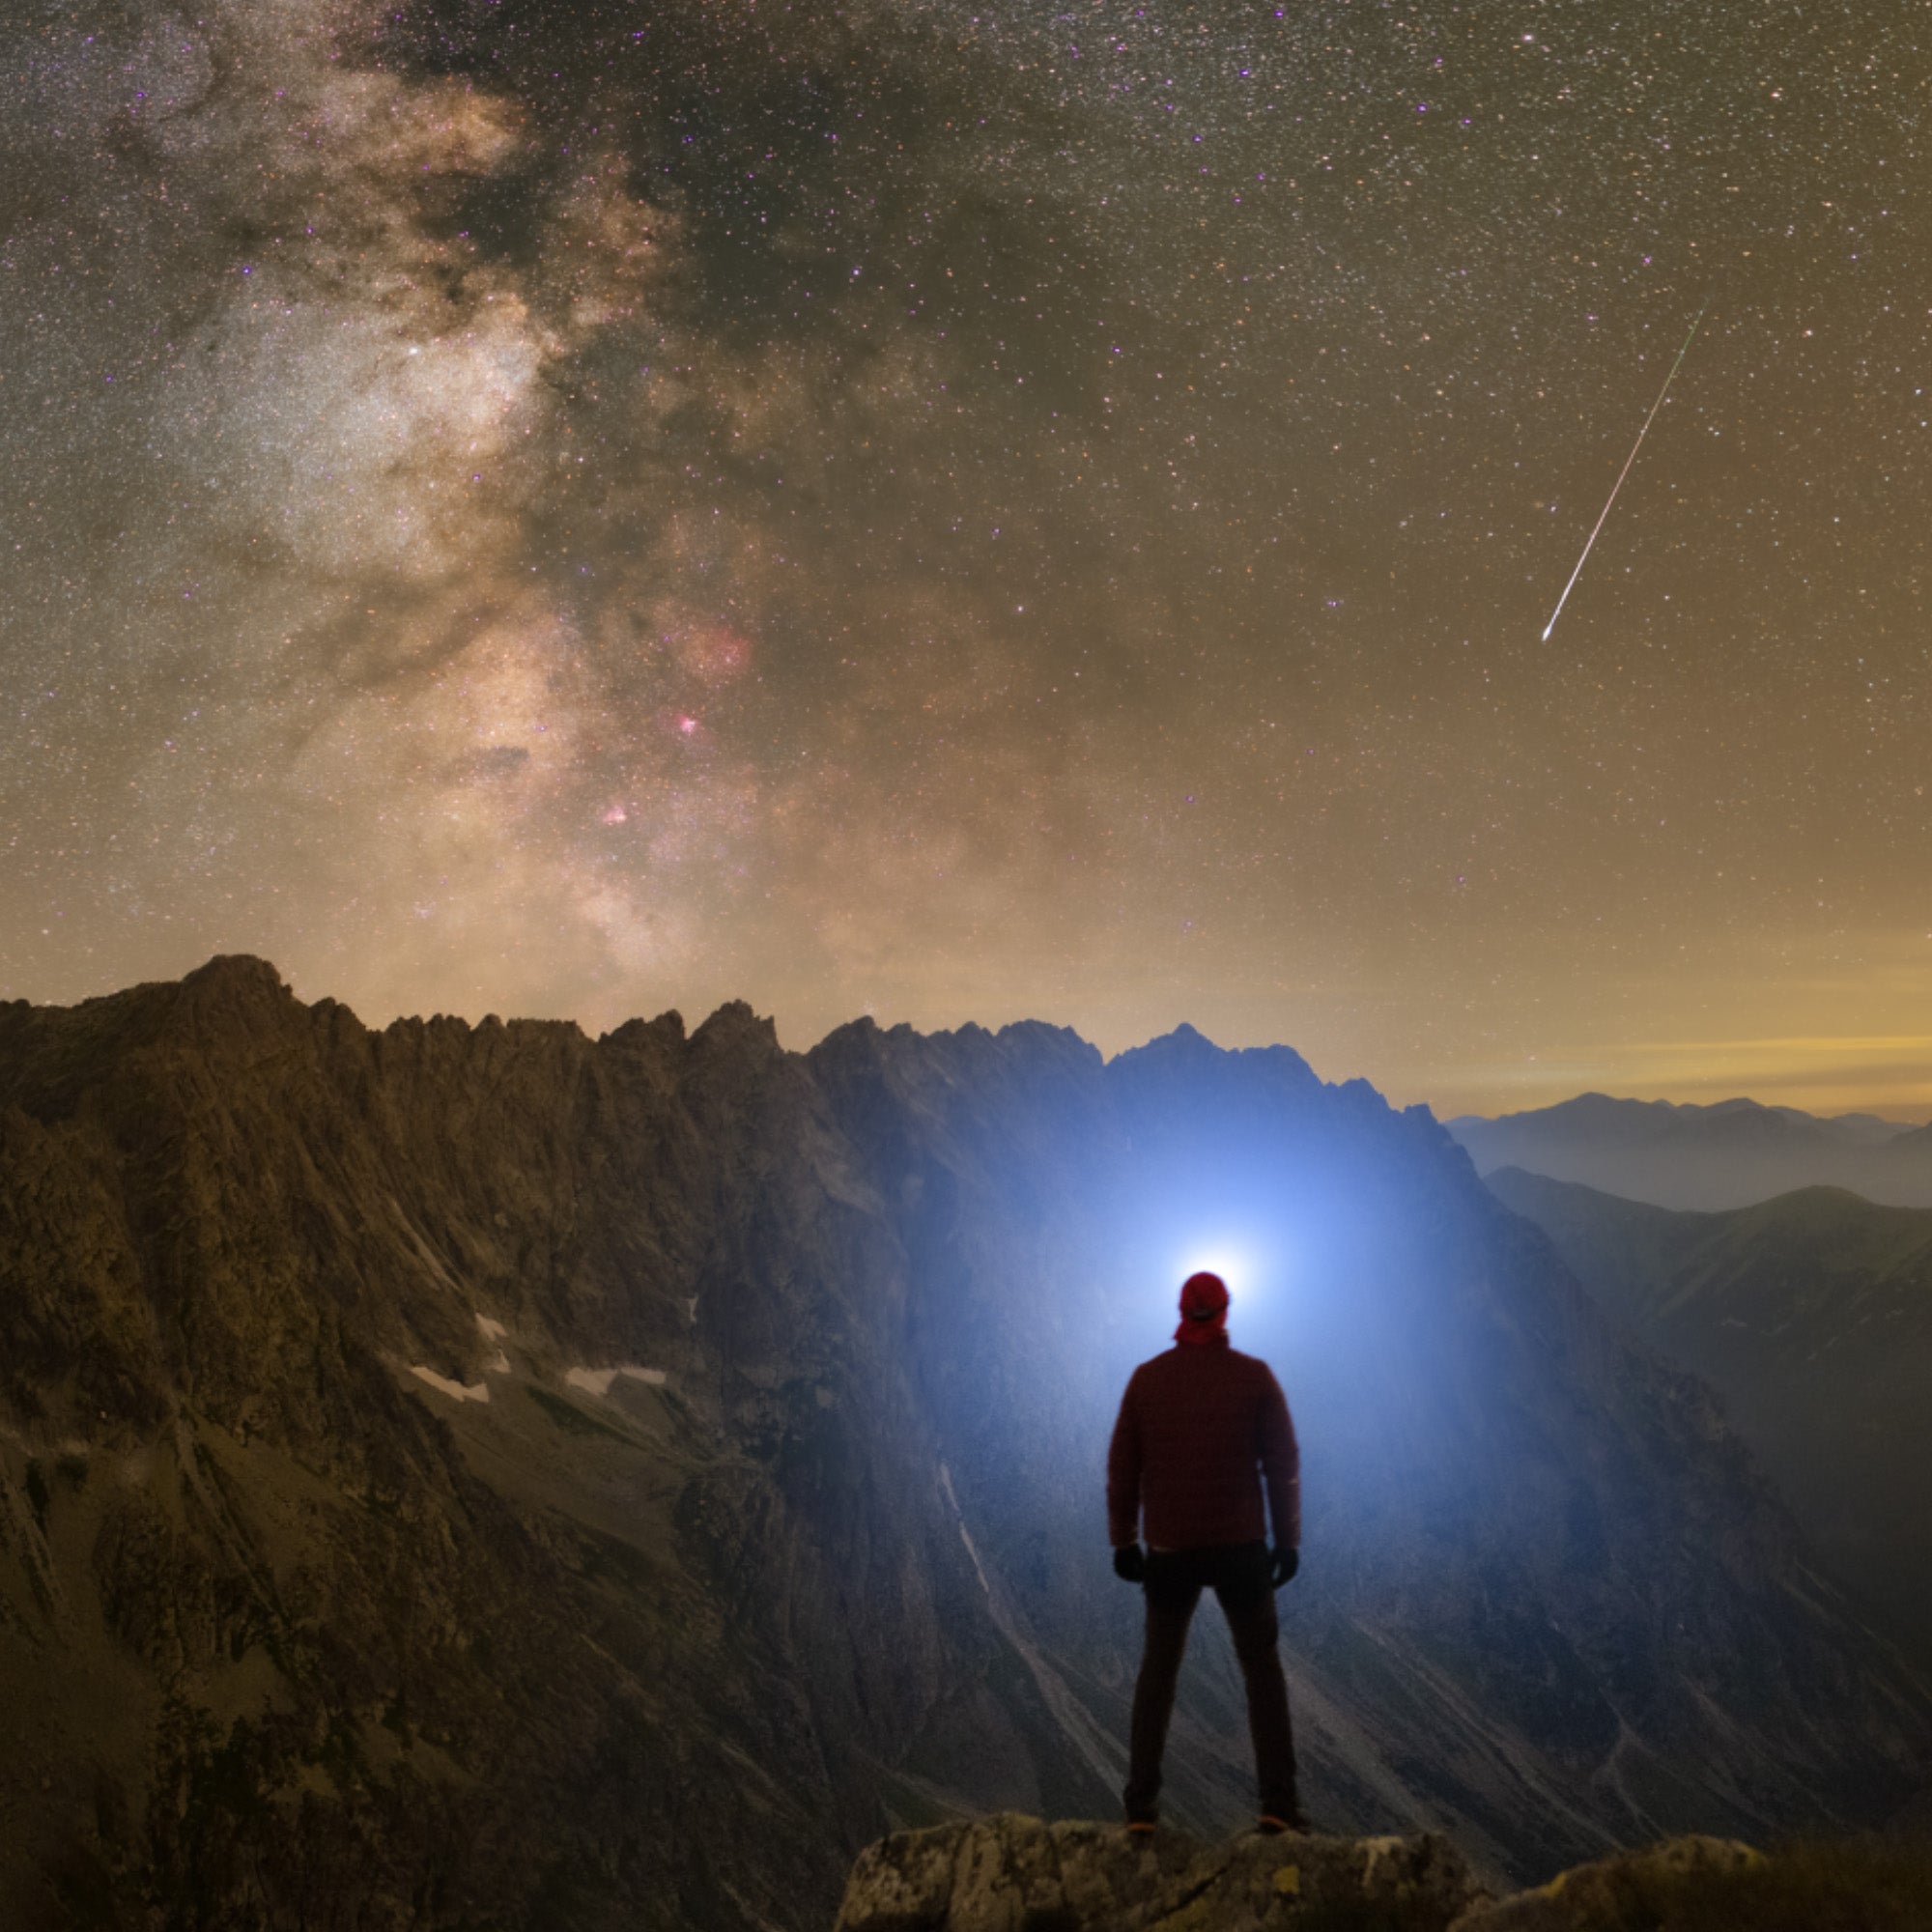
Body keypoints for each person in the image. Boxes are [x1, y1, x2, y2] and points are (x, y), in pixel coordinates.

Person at [1106, 1268, 1303, 1835]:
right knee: (1262, 1671)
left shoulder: (1147, 1381)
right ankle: (1278, 1806)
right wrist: (1287, 1542)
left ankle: (1140, 1809)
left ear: (1180, 1312)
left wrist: (1124, 1541)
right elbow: (1282, 1465)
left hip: (1170, 1551)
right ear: (1224, 1313)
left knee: (1158, 1674)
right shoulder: (1254, 1379)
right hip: (1241, 1550)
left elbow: (1123, 1469)